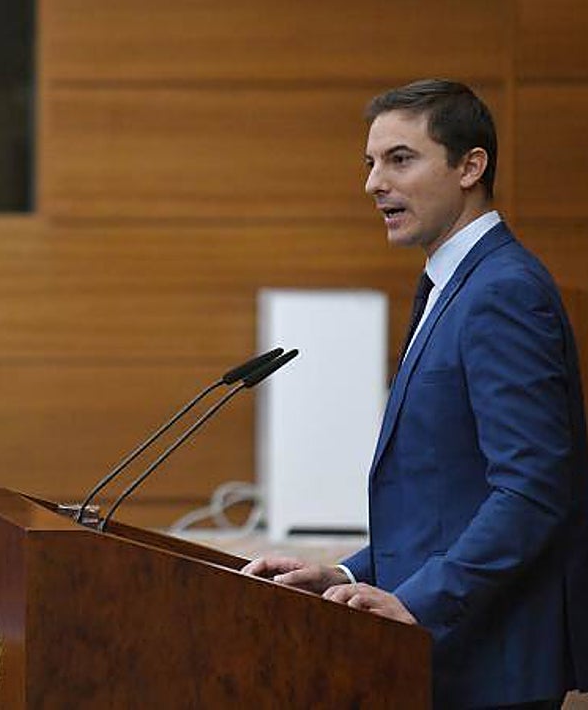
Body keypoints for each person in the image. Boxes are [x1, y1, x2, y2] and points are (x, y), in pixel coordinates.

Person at [243, 79, 588, 707]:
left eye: (400, 160)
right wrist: (349, 573)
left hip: (487, 661)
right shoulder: (450, 284)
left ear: (470, 166)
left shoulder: (501, 291)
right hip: (455, 654)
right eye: (370, 163)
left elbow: (534, 490)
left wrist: (419, 601)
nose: (374, 182)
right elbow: (448, 499)